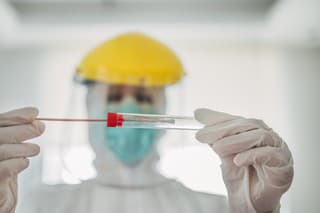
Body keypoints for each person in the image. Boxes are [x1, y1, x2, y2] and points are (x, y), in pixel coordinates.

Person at [0, 32, 293, 213]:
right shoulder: (41, 207)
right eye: (114, 95)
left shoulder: (213, 208)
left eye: (143, 97)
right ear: (91, 106)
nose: (128, 109)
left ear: (163, 108)